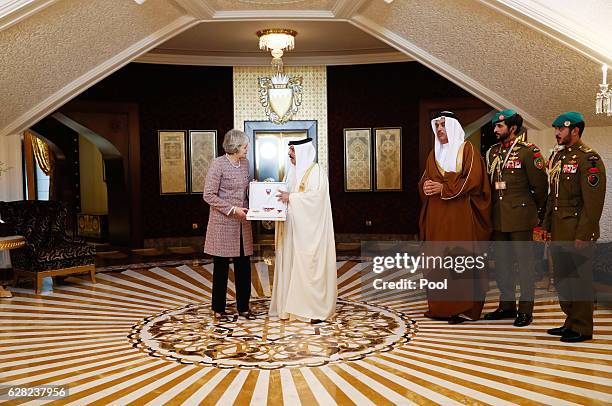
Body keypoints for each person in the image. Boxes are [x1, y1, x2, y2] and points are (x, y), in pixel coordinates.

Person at [418, 111, 492, 324]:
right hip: (436, 218)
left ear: (452, 127)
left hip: (460, 218)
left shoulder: (466, 150)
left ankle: (463, 309)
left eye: (443, 125)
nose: (439, 129)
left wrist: (444, 187)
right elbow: (425, 180)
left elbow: (474, 180)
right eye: (437, 126)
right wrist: (426, 186)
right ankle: (440, 308)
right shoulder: (433, 154)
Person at [542, 112, 606, 342]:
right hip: (559, 230)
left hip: (577, 232)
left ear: (575, 130)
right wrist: (546, 226)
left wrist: (584, 235)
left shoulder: (589, 159)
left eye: (560, 129)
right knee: (563, 279)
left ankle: (582, 328)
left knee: (579, 281)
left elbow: (593, 204)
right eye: (556, 129)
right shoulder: (558, 158)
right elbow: (553, 196)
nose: (557, 133)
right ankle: (570, 321)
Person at [484, 110, 548, 327]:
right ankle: (507, 305)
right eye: (494, 126)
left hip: (521, 217)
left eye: (499, 126)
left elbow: (540, 187)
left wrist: (536, 213)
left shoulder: (528, 152)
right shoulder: (492, 152)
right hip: (498, 217)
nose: (495, 130)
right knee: (502, 264)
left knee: (525, 265)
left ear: (512, 128)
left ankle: (526, 309)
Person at [269, 138, 337, 323]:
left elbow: (315, 199)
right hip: (292, 230)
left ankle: (311, 309)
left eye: (293, 153)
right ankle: (290, 309)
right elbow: (283, 195)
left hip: (309, 234)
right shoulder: (291, 173)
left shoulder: (316, 172)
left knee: (308, 267)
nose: (290, 156)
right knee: (291, 265)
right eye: (289, 153)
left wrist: (291, 197)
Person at [203, 129, 254, 321]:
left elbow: (245, 189)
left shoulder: (245, 163)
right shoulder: (218, 164)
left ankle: (243, 307)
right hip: (223, 224)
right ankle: (218, 309)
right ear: (234, 147)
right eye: (244, 146)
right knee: (221, 269)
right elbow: (208, 195)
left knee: (244, 267)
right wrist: (232, 209)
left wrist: (256, 189)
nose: (246, 149)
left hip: (242, 224)